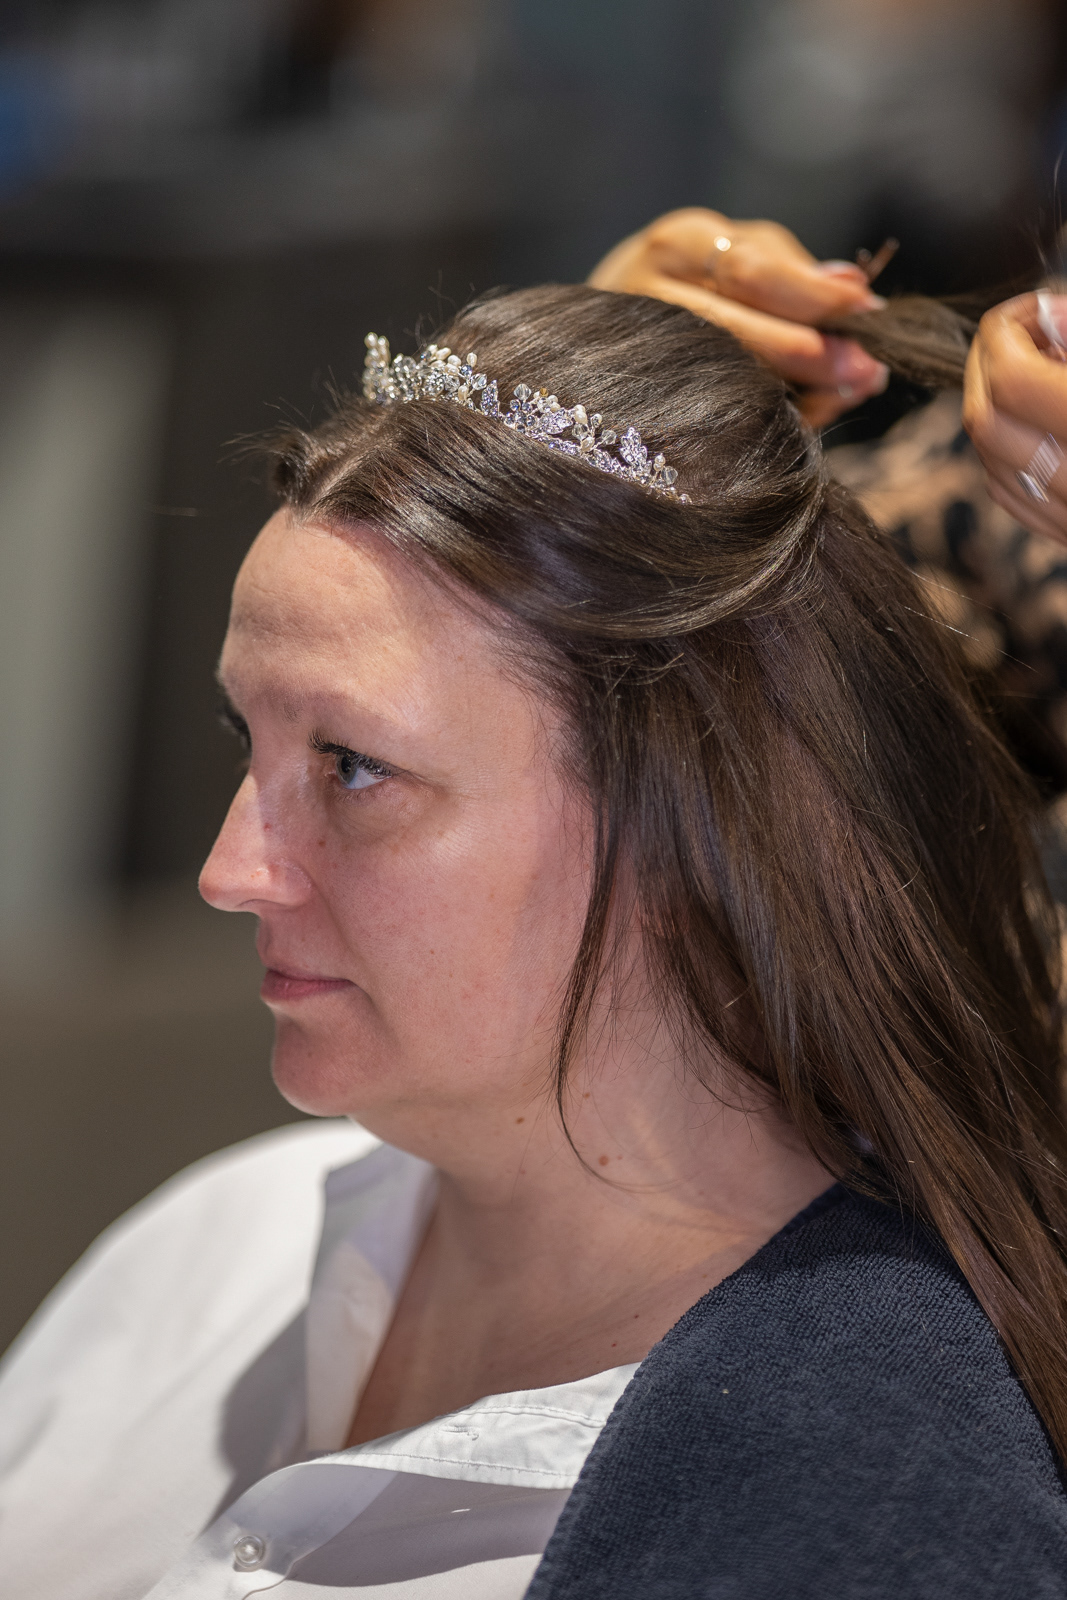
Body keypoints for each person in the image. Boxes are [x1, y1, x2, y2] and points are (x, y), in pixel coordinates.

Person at [3, 281, 1067, 1600]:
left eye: (353, 765)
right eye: (246, 738)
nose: (232, 874)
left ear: (694, 813)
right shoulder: (217, 1241)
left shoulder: (874, 1511)